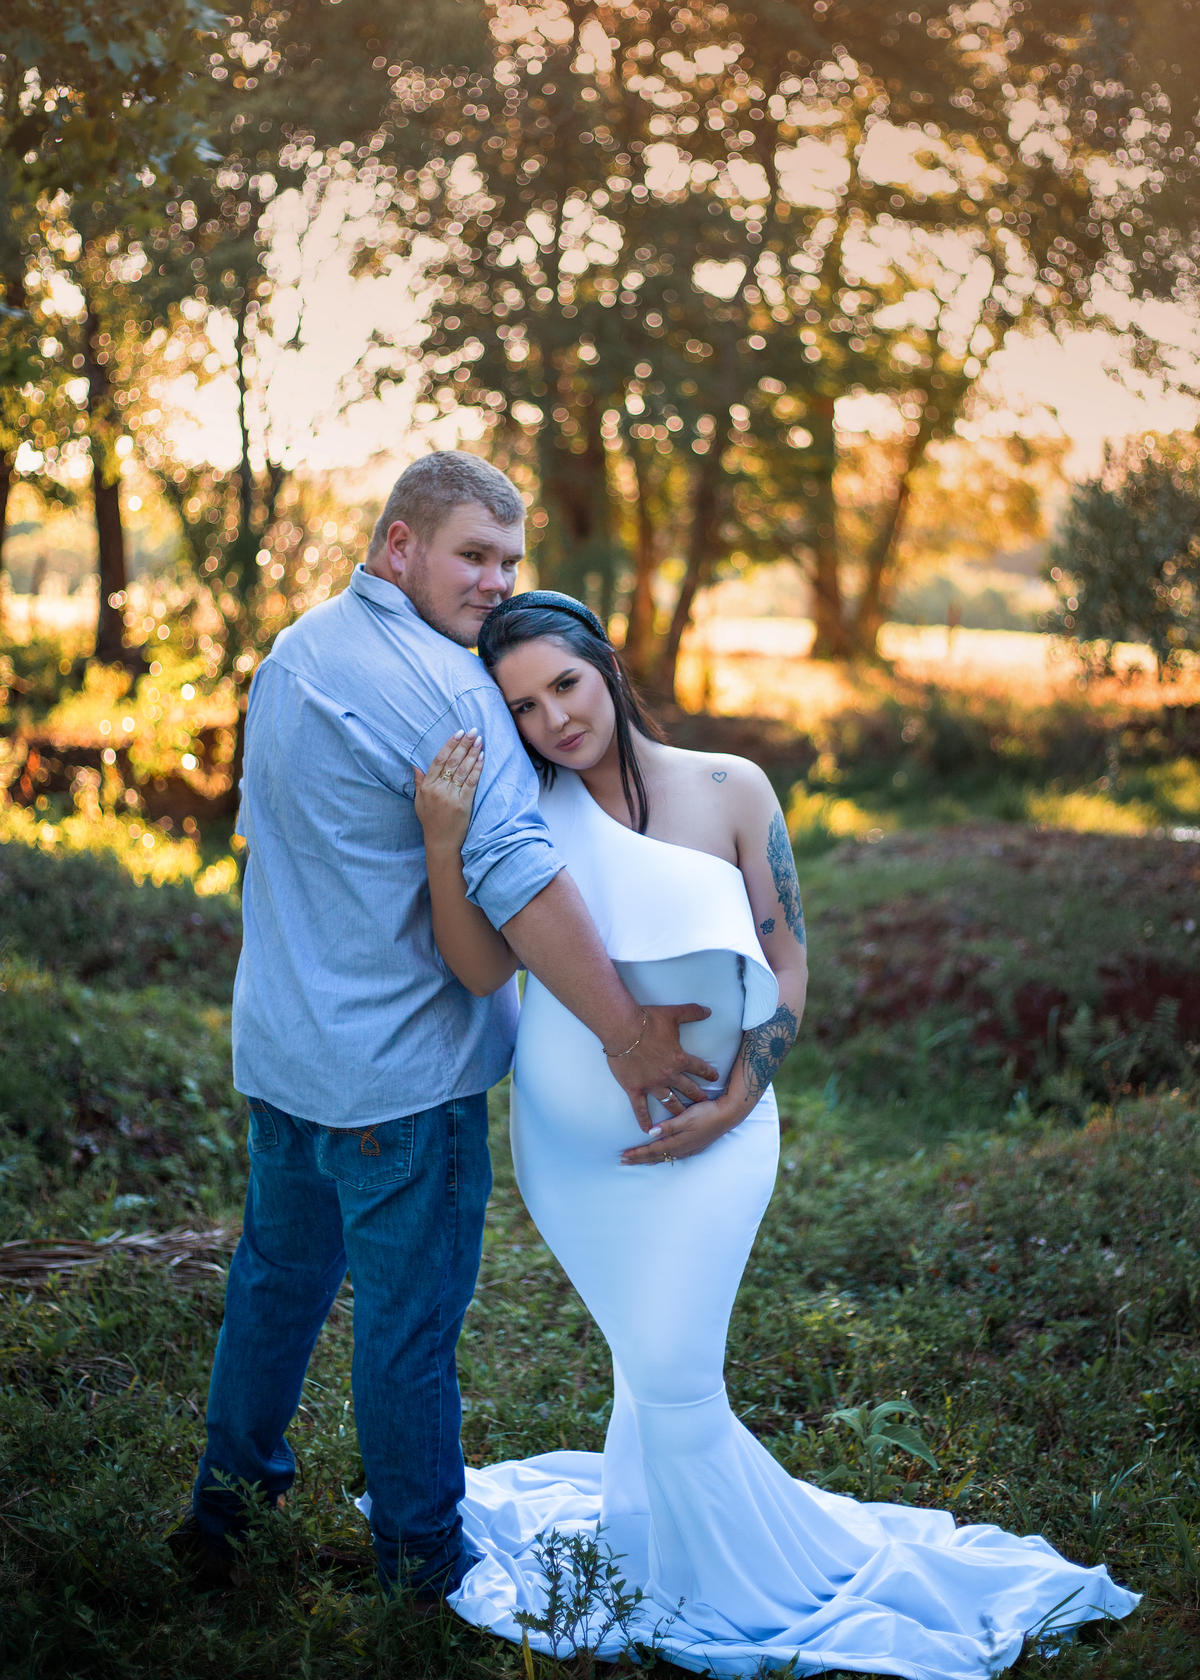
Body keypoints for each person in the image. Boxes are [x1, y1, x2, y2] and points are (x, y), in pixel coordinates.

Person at [410, 591, 1140, 1679]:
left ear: (606, 666)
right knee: (645, 1364)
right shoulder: (523, 818)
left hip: (723, 1132)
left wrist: (737, 1097)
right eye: (521, 706)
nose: (553, 720)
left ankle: (740, 1589)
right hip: (574, 1156)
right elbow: (479, 973)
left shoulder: (731, 787)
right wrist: (443, 838)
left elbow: (787, 960)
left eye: (564, 684)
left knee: (673, 1373)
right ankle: (651, 1554)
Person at [171, 454, 719, 1598]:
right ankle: (420, 1572)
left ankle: (222, 1523)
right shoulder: (452, 693)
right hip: (402, 1084)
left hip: (286, 1056)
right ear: (399, 546)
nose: (496, 582)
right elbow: (518, 879)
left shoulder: (293, 655)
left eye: (510, 560)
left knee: (274, 1288)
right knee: (407, 1331)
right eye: (474, 554)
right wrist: (628, 1033)